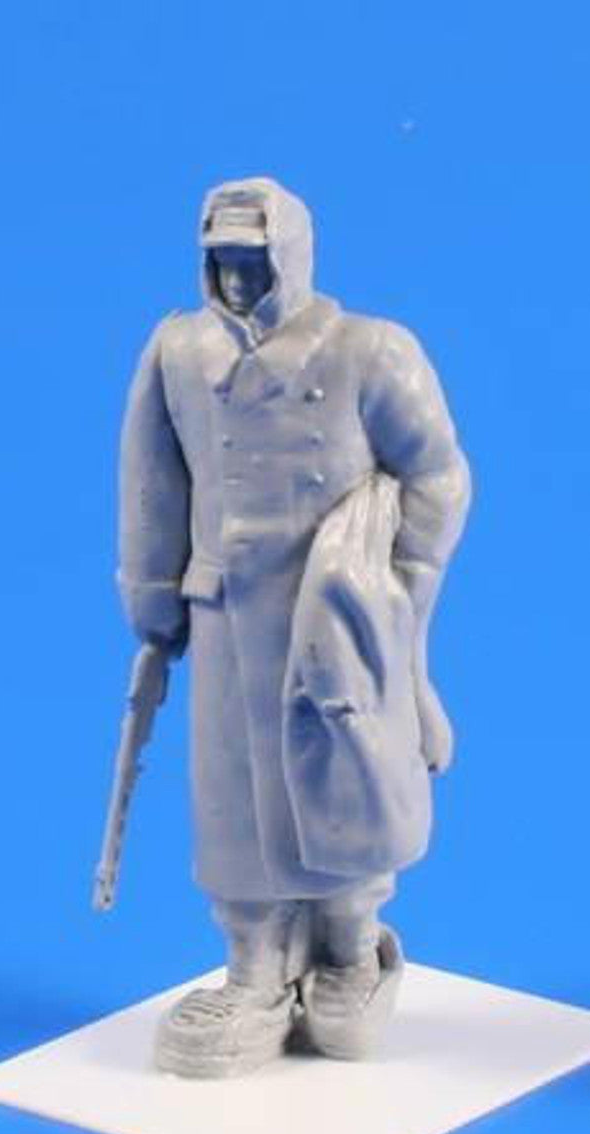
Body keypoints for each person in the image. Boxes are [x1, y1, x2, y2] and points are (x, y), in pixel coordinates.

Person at [117, 176, 471, 1077]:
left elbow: (438, 475)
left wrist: (392, 586)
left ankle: (351, 953)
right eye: (223, 260)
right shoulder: (178, 352)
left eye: (254, 259)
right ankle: (254, 972)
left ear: (291, 255)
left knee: (348, 779)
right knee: (234, 795)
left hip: (338, 615)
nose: (239, 278)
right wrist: (152, 595)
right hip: (226, 614)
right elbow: (152, 482)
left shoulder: (369, 351)